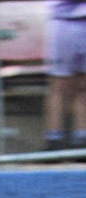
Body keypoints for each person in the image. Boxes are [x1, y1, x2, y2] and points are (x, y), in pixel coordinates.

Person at [45, 2, 86, 150]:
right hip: (64, 21)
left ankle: (81, 139)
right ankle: (54, 139)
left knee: (83, 85)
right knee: (60, 83)